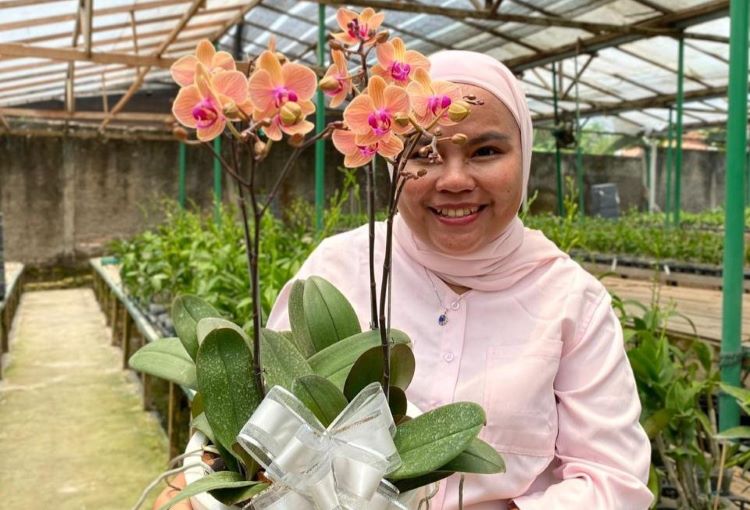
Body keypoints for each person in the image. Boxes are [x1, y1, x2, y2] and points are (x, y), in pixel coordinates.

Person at [155, 50, 652, 510]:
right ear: (391, 154)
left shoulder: (572, 301)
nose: (454, 179)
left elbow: (615, 480)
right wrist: (200, 483)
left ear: (525, 157)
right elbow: (261, 420)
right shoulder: (341, 268)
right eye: (425, 153)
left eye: (485, 151)